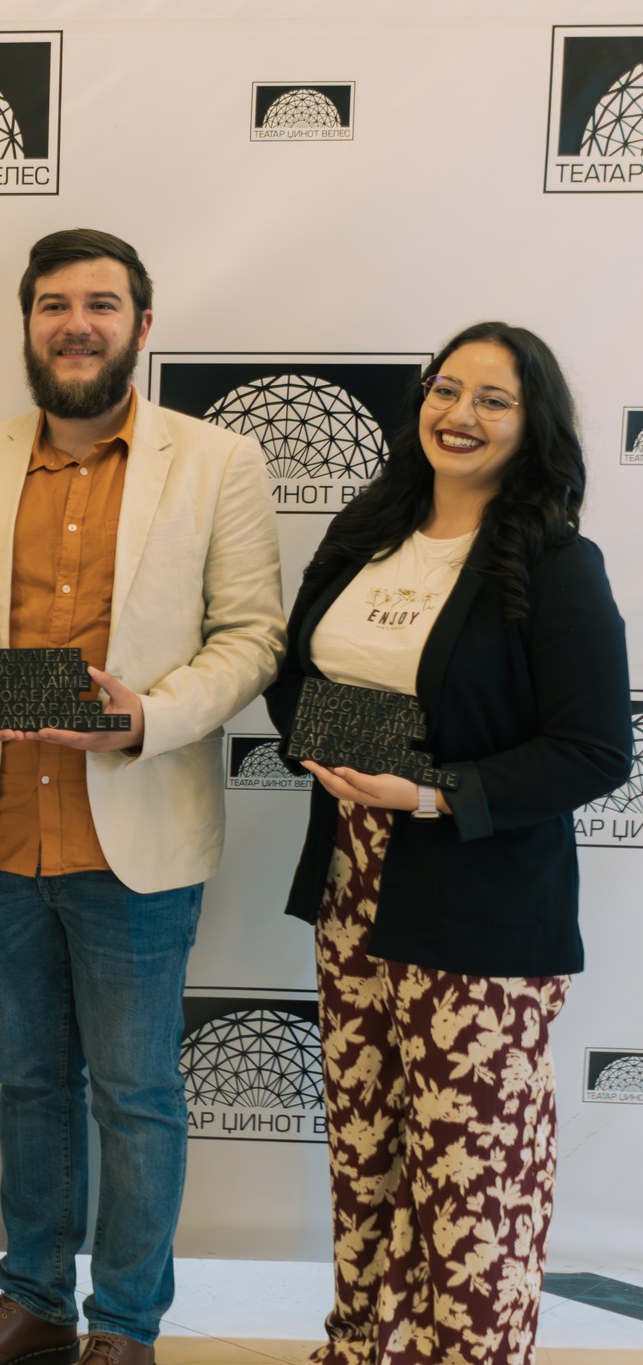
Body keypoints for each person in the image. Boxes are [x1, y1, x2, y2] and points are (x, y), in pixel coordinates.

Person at [0, 229, 285, 1365]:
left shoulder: (218, 462)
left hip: (137, 837)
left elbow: (252, 636)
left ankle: (123, 1327)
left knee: (135, 1095)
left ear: (141, 326)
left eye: (101, 304)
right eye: (53, 304)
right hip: (0, 831)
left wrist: (143, 718)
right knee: (29, 1086)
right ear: (27, 323)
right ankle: (33, 1304)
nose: (76, 324)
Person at [264, 323, 630, 1365]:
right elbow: (297, 679)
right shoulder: (365, 528)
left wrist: (427, 792)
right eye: (445, 388)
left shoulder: (554, 562)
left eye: (492, 399)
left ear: (531, 424)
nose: (458, 414)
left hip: (480, 905)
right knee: (367, 1158)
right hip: (350, 886)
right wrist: (345, 755)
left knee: (473, 1189)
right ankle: (358, 1349)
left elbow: (593, 748)